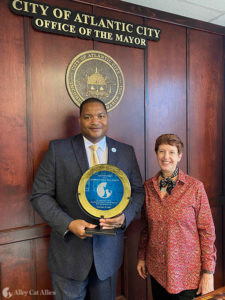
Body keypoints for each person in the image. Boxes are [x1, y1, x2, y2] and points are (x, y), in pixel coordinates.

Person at [30, 97, 144, 300]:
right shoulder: (58, 150)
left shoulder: (126, 152)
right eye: (88, 116)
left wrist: (124, 217)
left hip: (107, 257)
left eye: (100, 115)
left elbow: (137, 192)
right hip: (69, 257)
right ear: (80, 120)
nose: (95, 121)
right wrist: (68, 223)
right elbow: (40, 195)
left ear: (107, 118)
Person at [137, 134, 216, 300]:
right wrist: (141, 257)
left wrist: (208, 272)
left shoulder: (195, 188)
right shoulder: (148, 188)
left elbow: (207, 231)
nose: (166, 157)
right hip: (157, 270)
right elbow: (146, 228)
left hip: (188, 274)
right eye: (162, 151)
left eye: (172, 152)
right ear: (156, 154)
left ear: (179, 156)